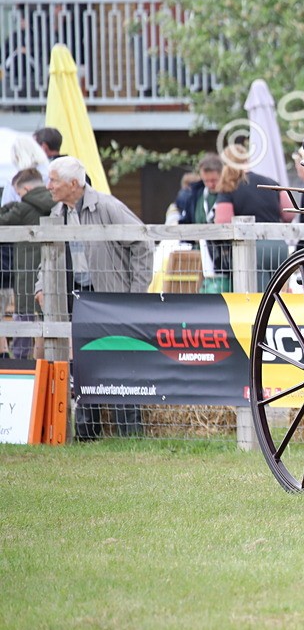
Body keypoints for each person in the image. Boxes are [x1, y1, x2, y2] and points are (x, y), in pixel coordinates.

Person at [35, 156, 152, 439]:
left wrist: (135, 295)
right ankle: (87, 435)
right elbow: (46, 257)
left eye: (54, 180)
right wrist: (41, 285)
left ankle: (130, 435)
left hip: (110, 299)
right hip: (74, 297)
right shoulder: (56, 213)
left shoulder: (108, 206)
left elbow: (143, 243)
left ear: (74, 184)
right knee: (82, 365)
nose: (48, 185)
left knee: (120, 362)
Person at [212, 149, 293, 291]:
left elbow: (222, 223)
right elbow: (289, 214)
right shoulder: (270, 182)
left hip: (251, 250)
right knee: (282, 295)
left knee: (260, 300)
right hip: (278, 247)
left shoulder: (228, 188)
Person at [0, 169, 55, 359]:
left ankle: (20, 362)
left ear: (27, 188)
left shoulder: (23, 209)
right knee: (51, 322)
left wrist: (10, 205)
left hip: (26, 271)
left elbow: (2, 220)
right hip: (54, 270)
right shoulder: (57, 204)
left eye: (19, 193)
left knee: (23, 319)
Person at [176, 154, 229, 293]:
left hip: (222, 257)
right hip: (198, 255)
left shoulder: (228, 194)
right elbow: (185, 222)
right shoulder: (195, 195)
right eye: (206, 180)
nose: (211, 184)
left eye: (214, 180)